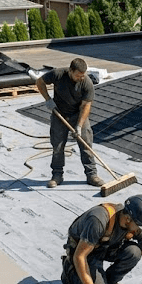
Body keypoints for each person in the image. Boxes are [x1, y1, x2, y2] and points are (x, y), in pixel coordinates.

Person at [36, 58, 103, 188]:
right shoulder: (58, 74)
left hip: (78, 114)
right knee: (58, 146)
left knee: (86, 145)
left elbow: (86, 106)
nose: (81, 78)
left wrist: (79, 125)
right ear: (70, 71)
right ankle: (57, 175)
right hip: (59, 114)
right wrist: (48, 99)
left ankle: (92, 175)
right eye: (78, 75)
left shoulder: (87, 83)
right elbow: (40, 82)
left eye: (83, 75)